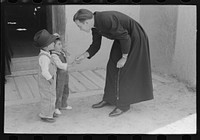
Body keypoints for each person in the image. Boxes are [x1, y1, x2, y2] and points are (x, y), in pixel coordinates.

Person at [73, 9, 153, 117]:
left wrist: (124, 58)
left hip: (134, 37)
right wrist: (83, 55)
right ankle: (109, 98)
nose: (80, 29)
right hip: (122, 39)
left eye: (79, 26)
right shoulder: (95, 26)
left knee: (125, 70)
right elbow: (96, 45)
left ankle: (124, 105)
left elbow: (125, 37)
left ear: (86, 22)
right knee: (112, 66)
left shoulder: (105, 19)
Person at [33, 29, 68, 123]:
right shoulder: (44, 57)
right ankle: (46, 115)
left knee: (52, 96)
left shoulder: (47, 53)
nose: (54, 44)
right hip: (47, 82)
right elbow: (44, 71)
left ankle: (50, 112)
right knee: (47, 98)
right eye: (52, 42)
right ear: (47, 46)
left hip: (50, 81)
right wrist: (50, 79)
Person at [51, 34, 72, 116]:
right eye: (58, 44)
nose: (61, 46)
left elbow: (68, 58)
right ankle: (56, 107)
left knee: (66, 89)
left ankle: (63, 104)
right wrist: (69, 65)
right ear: (53, 46)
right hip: (59, 75)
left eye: (61, 44)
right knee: (58, 91)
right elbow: (60, 65)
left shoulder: (62, 53)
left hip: (65, 74)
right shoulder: (54, 55)